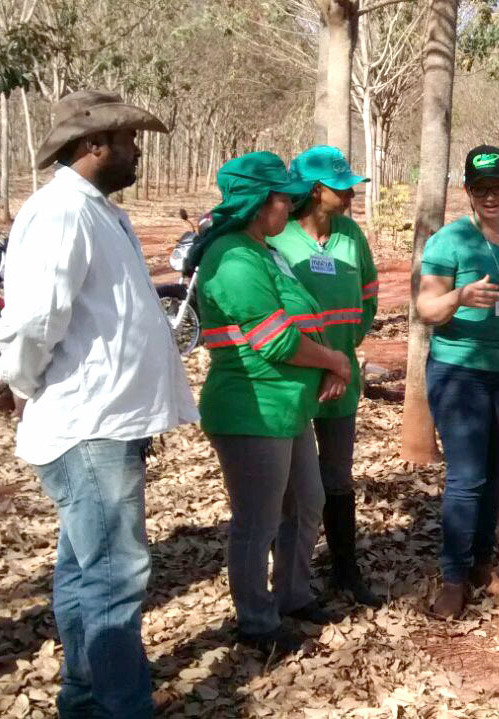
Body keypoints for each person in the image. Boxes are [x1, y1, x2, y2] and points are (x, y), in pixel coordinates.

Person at [0, 90, 197, 718]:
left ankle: (84, 699)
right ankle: (122, 708)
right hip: (88, 424)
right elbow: (36, 318)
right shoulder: (61, 211)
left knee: (84, 573)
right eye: (128, 141)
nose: (137, 152)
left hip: (108, 419)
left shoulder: (98, 211)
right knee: (113, 578)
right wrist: (18, 382)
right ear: (93, 145)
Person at [195, 152, 351, 654]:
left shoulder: (264, 249)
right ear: (260, 204)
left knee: (307, 502)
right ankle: (256, 622)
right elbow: (276, 340)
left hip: (288, 406)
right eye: (283, 198)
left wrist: (326, 362)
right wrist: (335, 360)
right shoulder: (232, 258)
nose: (290, 205)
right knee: (257, 521)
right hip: (252, 407)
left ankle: (292, 594)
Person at [416, 145, 499, 618]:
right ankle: (454, 576)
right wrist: (461, 295)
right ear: (466, 190)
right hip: (459, 370)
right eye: (480, 188)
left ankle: (485, 561)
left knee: (497, 474)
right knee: (466, 477)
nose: (490, 196)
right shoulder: (449, 241)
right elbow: (427, 310)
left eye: (498, 187)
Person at [268, 145, 381, 607]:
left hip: (342, 377)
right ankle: (288, 580)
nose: (352, 193)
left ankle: (344, 569)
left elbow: (369, 291)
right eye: (343, 186)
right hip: (294, 377)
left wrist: (346, 345)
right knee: (290, 485)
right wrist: (314, 359)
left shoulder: (351, 234)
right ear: (317, 191)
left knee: (337, 475)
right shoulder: (278, 238)